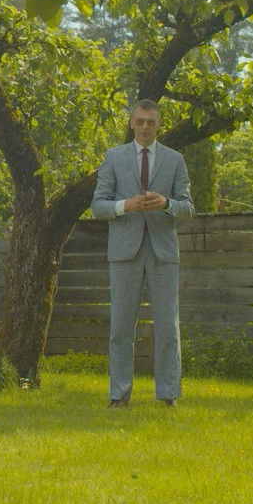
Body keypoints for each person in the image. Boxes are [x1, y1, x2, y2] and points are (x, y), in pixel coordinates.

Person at [90, 100, 194, 408]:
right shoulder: (114, 157)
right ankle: (118, 395)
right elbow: (98, 206)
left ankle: (168, 395)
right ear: (132, 124)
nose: (145, 127)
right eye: (140, 121)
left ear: (158, 124)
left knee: (168, 327)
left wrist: (166, 203)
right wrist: (126, 205)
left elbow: (187, 208)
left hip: (163, 252)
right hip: (124, 252)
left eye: (151, 121)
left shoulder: (175, 160)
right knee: (121, 328)